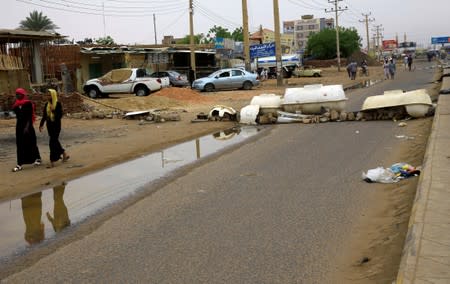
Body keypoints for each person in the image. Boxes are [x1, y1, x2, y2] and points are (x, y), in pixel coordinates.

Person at [12, 88, 42, 172]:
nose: (17, 95)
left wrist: (26, 127)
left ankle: (38, 158)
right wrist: (21, 127)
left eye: (19, 94)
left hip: (28, 127)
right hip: (19, 127)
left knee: (32, 143)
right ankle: (19, 164)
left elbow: (29, 117)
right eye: (16, 94)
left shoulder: (28, 104)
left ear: (23, 95)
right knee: (20, 144)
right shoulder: (15, 106)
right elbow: (18, 117)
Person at [39, 89, 69, 168]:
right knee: (55, 141)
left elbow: (60, 116)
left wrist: (54, 110)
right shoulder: (47, 104)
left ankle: (52, 161)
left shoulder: (58, 104)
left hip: (56, 126)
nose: (47, 96)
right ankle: (64, 153)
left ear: (53, 95)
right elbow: (45, 116)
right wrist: (41, 124)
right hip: (49, 126)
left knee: (52, 142)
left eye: (49, 95)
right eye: (47, 95)